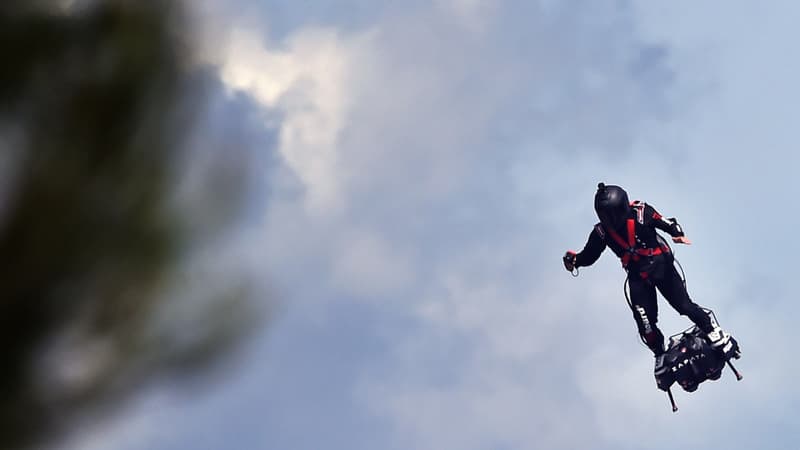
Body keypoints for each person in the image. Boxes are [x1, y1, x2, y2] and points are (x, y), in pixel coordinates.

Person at [563, 183, 732, 376]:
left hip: (662, 267)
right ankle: (660, 354)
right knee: (645, 324)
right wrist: (575, 261)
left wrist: (678, 234)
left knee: (684, 306)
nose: (611, 220)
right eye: (606, 216)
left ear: (623, 207)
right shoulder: (601, 233)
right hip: (638, 277)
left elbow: (667, 223)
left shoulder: (641, 212)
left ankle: (712, 330)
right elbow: (589, 255)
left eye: (614, 214)